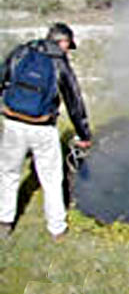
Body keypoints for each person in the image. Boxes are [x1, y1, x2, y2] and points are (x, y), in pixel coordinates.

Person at [0, 22, 92, 241]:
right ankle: (57, 229)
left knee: (8, 174)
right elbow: (74, 102)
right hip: (42, 128)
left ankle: (4, 223)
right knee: (51, 179)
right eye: (68, 45)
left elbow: (2, 76)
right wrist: (84, 135)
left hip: (12, 123)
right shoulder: (59, 63)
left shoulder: (22, 51)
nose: (68, 50)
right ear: (63, 41)